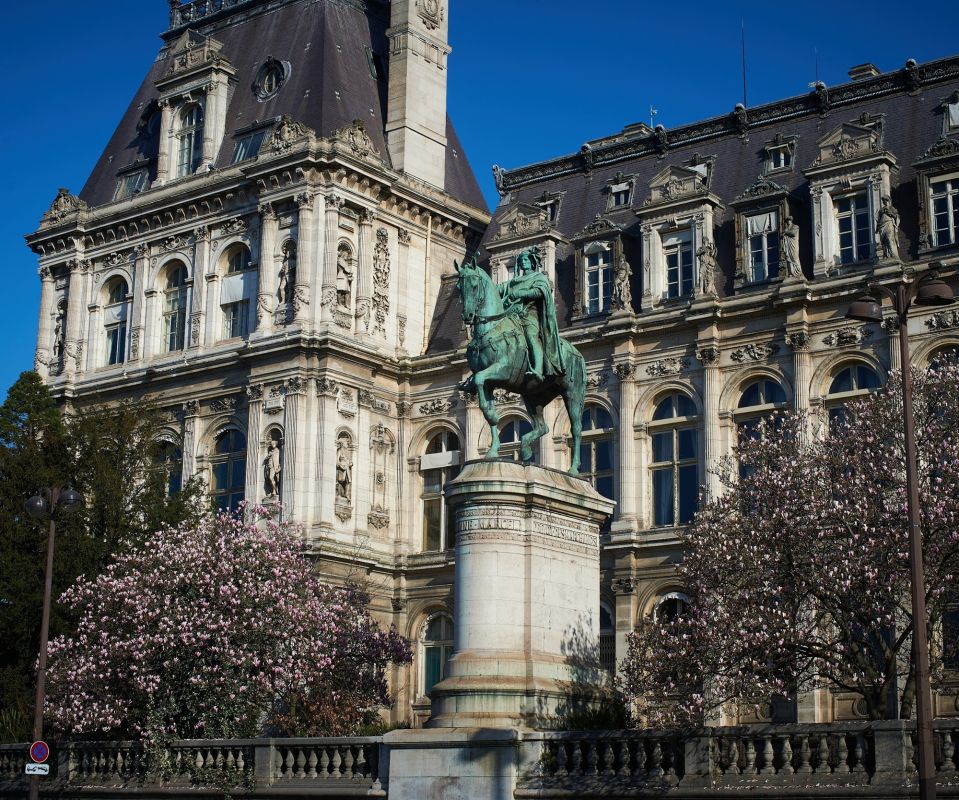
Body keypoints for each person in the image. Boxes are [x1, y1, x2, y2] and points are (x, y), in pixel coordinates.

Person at [499, 248, 564, 381]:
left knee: (531, 336)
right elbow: (499, 289)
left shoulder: (538, 277)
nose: (523, 262)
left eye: (526, 259)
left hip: (530, 314)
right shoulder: (514, 281)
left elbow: (540, 291)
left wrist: (521, 293)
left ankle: (538, 370)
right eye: (521, 260)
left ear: (532, 261)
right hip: (511, 316)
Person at [876, 197, 900, 261]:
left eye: (885, 200)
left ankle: (893, 254)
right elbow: (878, 220)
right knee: (883, 241)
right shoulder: (881, 210)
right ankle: (886, 255)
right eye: (883, 201)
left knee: (889, 238)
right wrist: (877, 228)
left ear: (889, 201)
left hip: (889, 224)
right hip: (882, 225)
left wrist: (890, 213)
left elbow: (896, 217)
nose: (884, 202)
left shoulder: (892, 208)